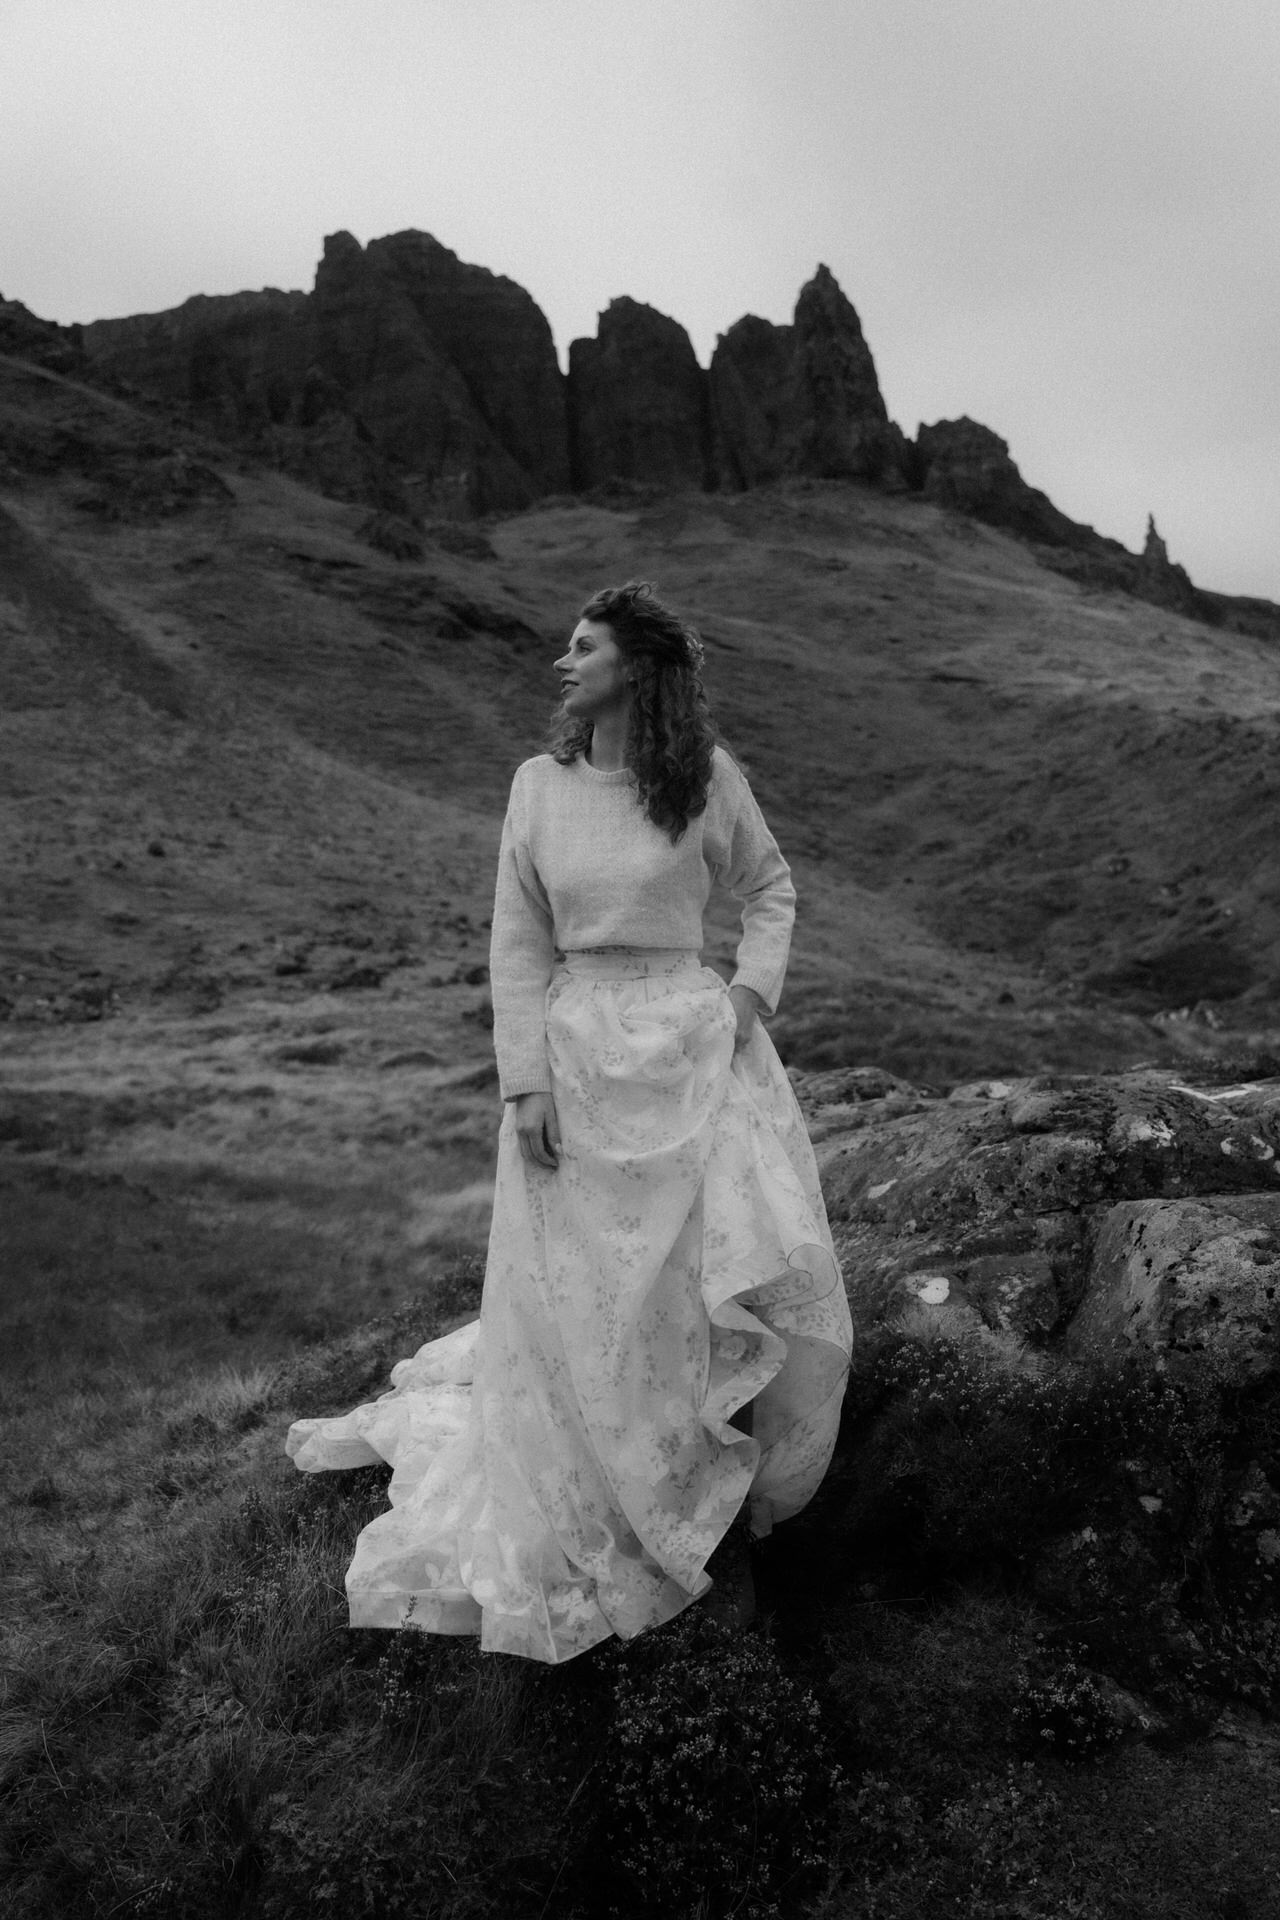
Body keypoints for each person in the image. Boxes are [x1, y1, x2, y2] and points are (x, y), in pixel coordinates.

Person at [287, 581, 852, 1663]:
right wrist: (524, 1084)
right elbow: (516, 944)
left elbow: (768, 888)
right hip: (578, 1051)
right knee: (586, 1281)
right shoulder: (535, 789)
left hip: (695, 1046)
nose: (563, 661)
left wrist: (747, 995)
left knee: (695, 1269)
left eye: (583, 647)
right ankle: (600, 1473)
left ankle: (706, 1467)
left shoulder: (704, 781)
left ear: (636, 668)